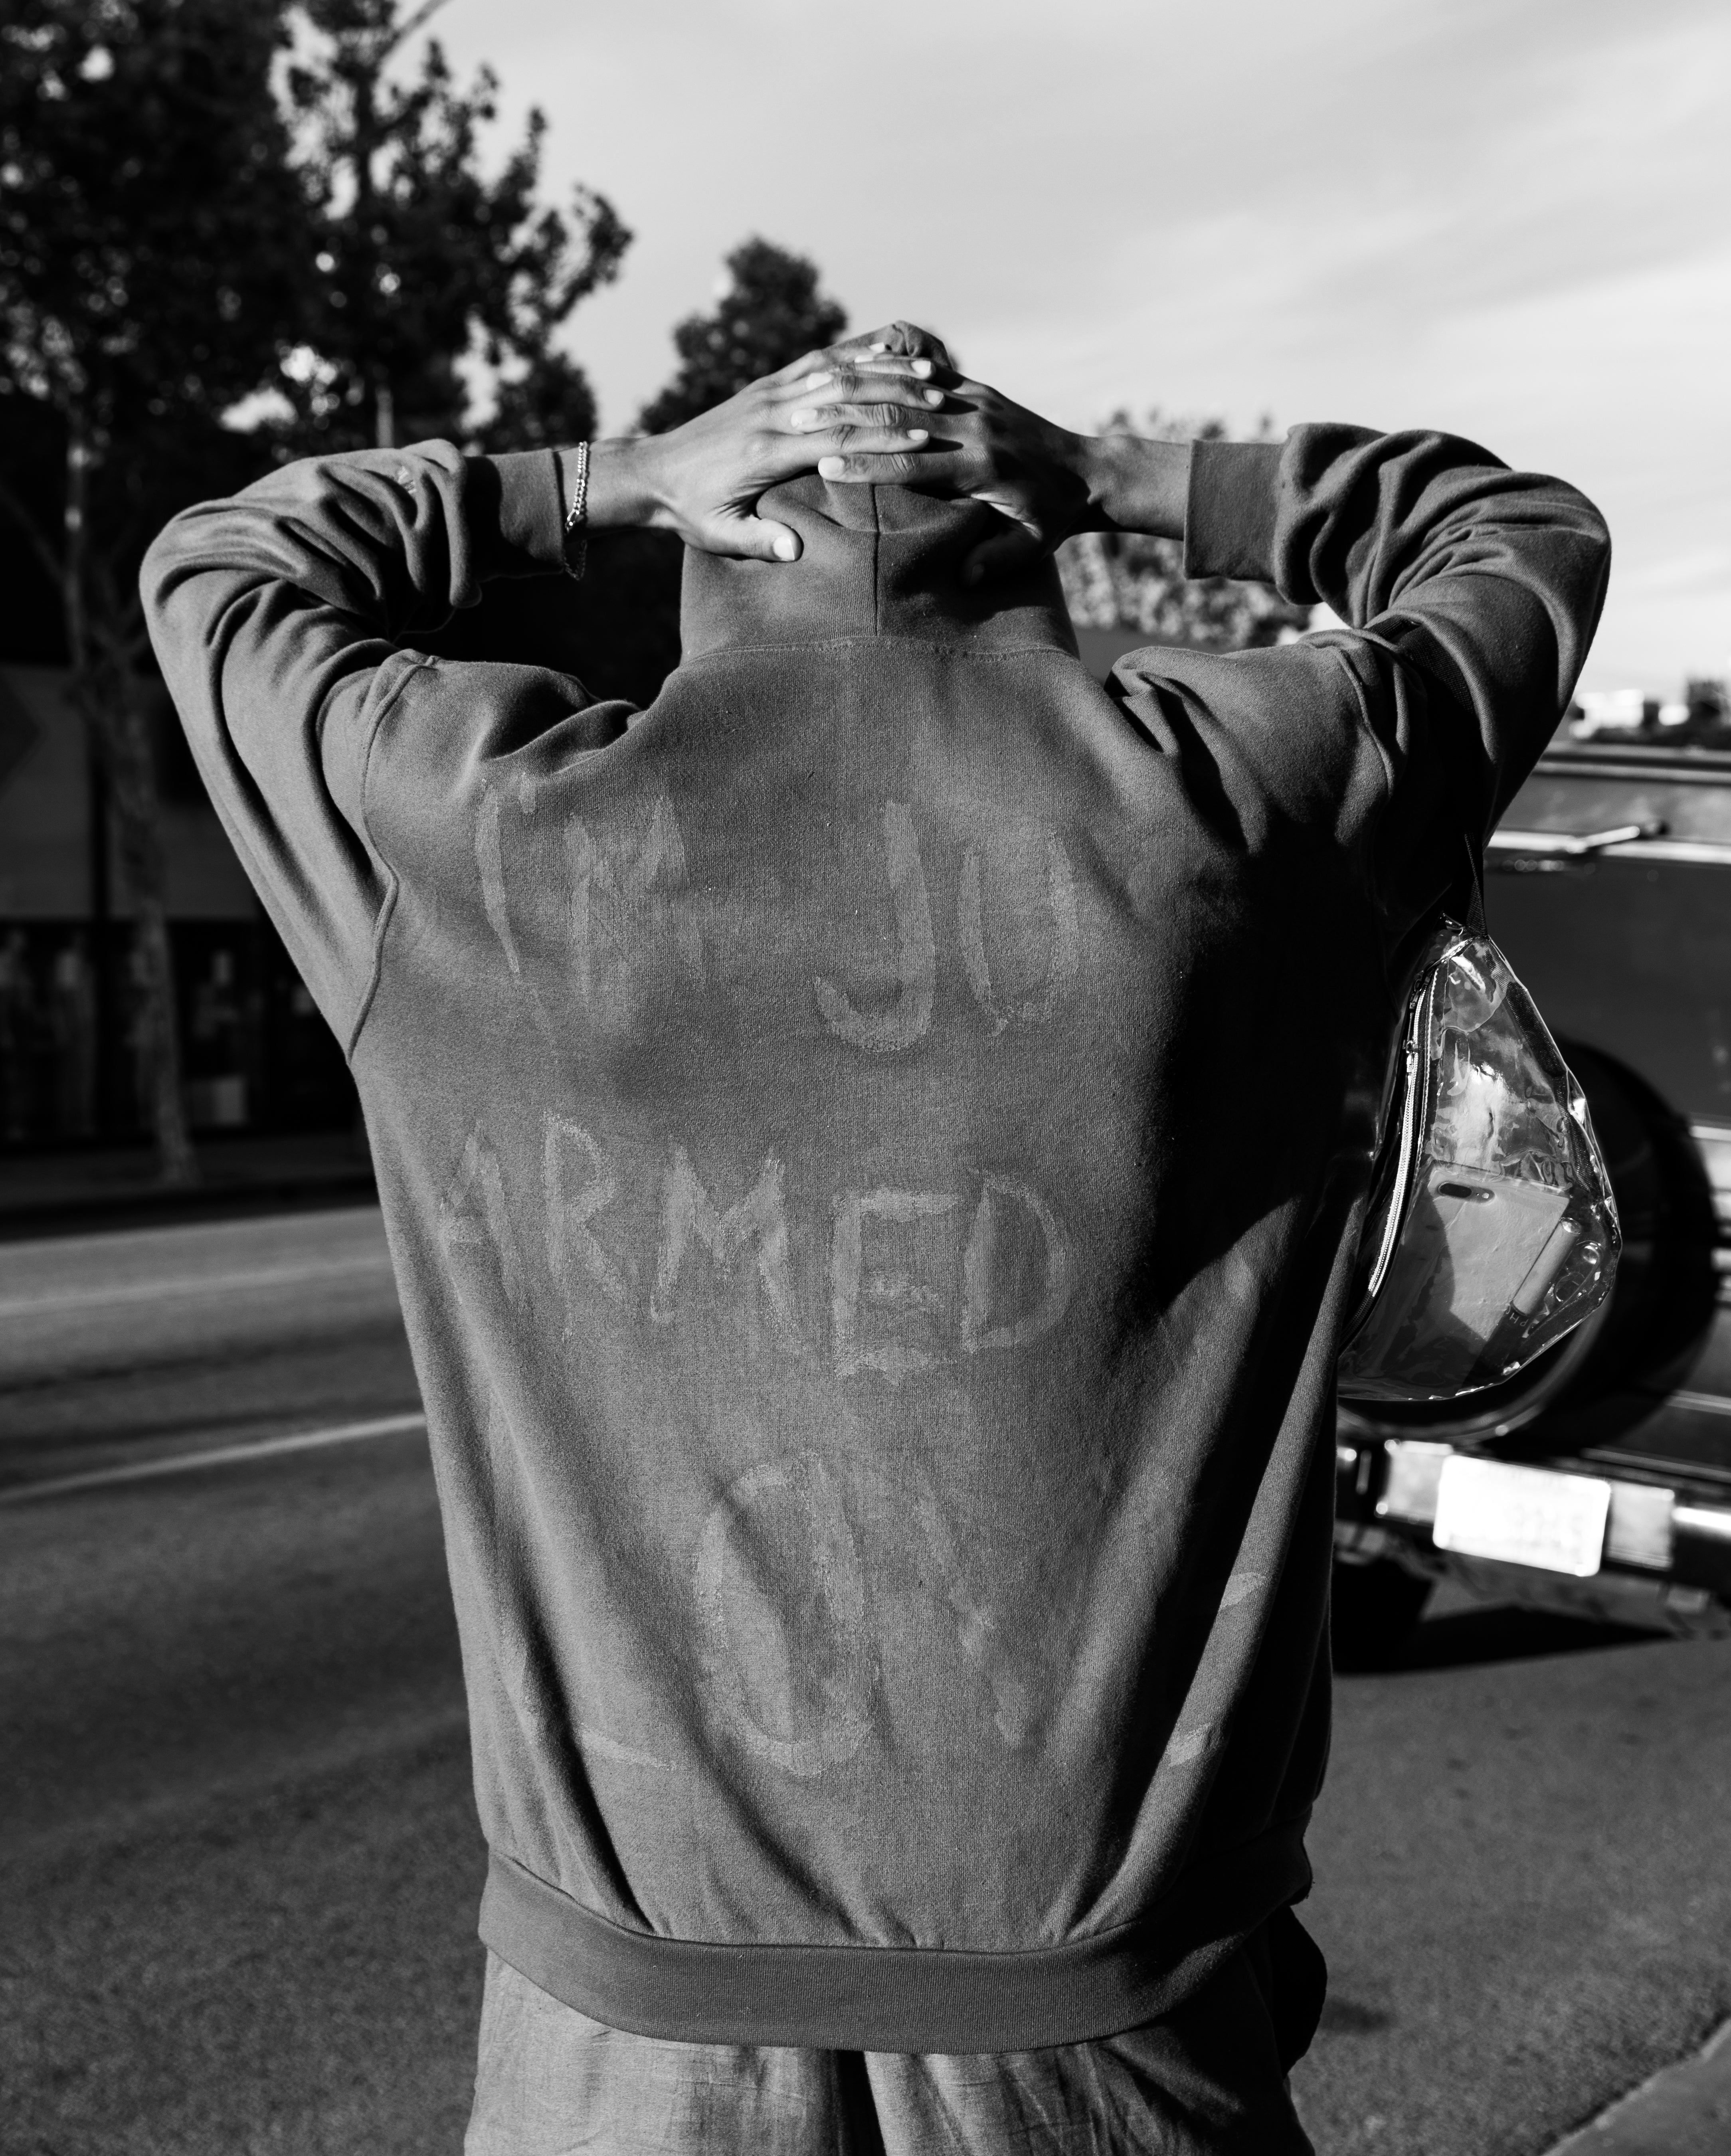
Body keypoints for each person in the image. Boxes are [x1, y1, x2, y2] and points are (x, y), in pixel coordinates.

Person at [142, 321, 1610, 2154]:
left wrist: (599, 479)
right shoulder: (1239, 808)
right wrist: (1133, 471)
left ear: (715, 548)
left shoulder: (490, 833)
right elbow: (1516, 537)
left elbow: (215, 566)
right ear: (1026, 542)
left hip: (623, 2044)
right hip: (1104, 2036)